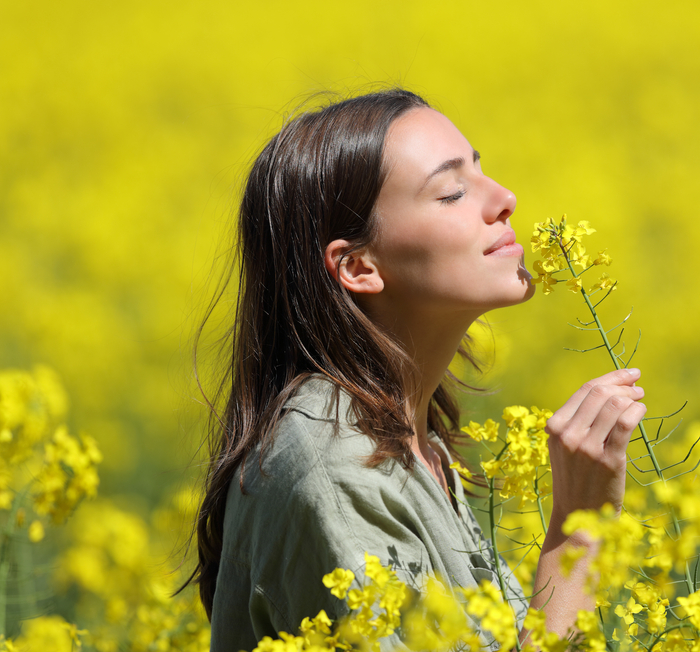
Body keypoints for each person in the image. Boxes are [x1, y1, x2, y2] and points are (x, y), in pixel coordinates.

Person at [188, 88, 647, 651]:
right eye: (452, 192)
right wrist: (580, 532)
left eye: (482, 172)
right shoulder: (333, 469)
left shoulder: (403, 437)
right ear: (358, 266)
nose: (505, 198)